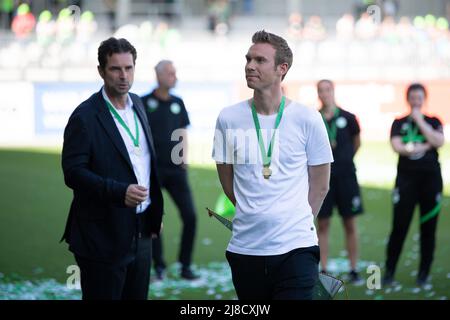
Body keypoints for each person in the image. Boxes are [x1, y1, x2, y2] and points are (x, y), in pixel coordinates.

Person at [212, 30, 333, 300]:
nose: (250, 66)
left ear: (282, 68)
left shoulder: (308, 118)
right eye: (248, 59)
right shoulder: (228, 118)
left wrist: (296, 220)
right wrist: (256, 212)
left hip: (297, 249)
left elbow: (321, 185)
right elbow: (227, 181)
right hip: (246, 249)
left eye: (259, 60)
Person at [61, 37, 164, 300]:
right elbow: (73, 172)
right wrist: (119, 192)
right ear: (101, 71)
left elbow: (146, 164)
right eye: (115, 69)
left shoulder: (138, 104)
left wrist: (153, 210)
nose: (123, 76)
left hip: (141, 231)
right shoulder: (84, 116)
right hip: (101, 235)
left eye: (128, 68)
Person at [141, 60, 198, 280]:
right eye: (171, 73)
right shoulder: (144, 102)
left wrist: (184, 157)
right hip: (152, 171)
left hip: (176, 171)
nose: (175, 76)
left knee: (191, 216)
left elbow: (183, 131)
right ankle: (159, 267)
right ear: (159, 76)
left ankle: (185, 266)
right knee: (154, 219)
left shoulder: (178, 102)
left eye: (175, 73)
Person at [384, 83, 445, 287]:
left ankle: (423, 275)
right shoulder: (399, 122)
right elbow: (397, 146)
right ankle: (389, 273)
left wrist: (420, 121)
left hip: (431, 182)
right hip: (406, 181)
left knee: (428, 228)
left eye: (419, 97)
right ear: (408, 99)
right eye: (413, 97)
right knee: (399, 227)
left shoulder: (433, 120)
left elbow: (438, 141)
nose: (416, 100)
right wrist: (418, 148)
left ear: (424, 98)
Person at [316, 79, 364, 284]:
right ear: (318, 94)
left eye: (328, 90)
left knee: (349, 223)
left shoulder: (349, 118)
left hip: (346, 177)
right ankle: (323, 268)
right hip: (322, 179)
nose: (325, 94)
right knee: (323, 224)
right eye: (321, 91)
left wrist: (344, 159)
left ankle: (353, 269)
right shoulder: (314, 118)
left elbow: (357, 142)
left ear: (333, 91)